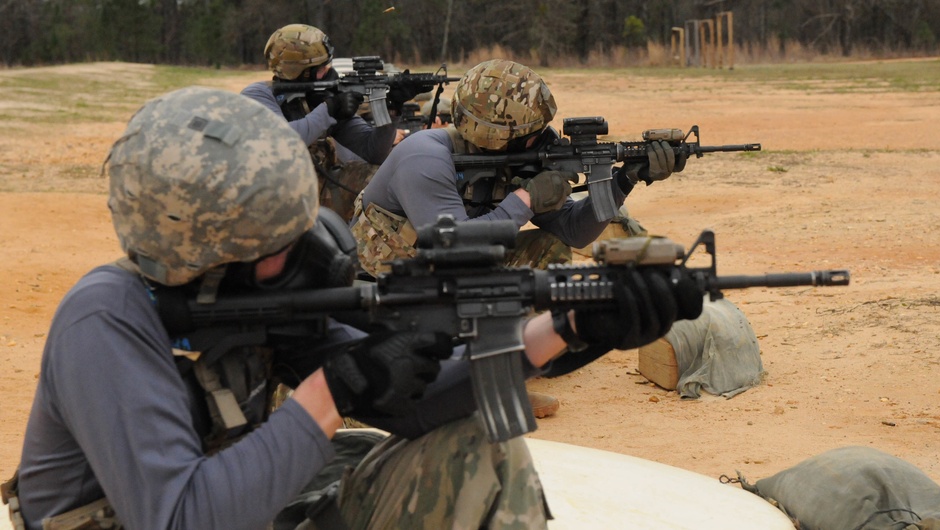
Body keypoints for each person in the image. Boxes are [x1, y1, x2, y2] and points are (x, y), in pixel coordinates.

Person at [6, 87, 700, 529]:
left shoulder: (255, 292)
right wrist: (331, 392)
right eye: (276, 243)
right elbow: (182, 517)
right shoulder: (106, 321)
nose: (299, 251)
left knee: (472, 449)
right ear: (202, 255)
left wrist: (575, 326)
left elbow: (419, 406)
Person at [350, 59, 680, 419]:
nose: (546, 138)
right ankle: (468, 382)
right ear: (497, 136)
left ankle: (501, 371)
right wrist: (526, 198)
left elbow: (573, 231)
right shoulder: (425, 157)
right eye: (535, 132)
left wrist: (623, 182)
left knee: (548, 249)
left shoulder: (519, 156)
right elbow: (456, 248)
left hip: (449, 276)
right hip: (389, 287)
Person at [241, 23, 417, 223]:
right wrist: (329, 109)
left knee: (384, 177)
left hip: (319, 190)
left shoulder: (318, 97)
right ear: (302, 71)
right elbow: (284, 141)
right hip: (273, 202)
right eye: (323, 68)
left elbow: (373, 152)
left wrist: (391, 108)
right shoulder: (257, 96)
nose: (329, 71)